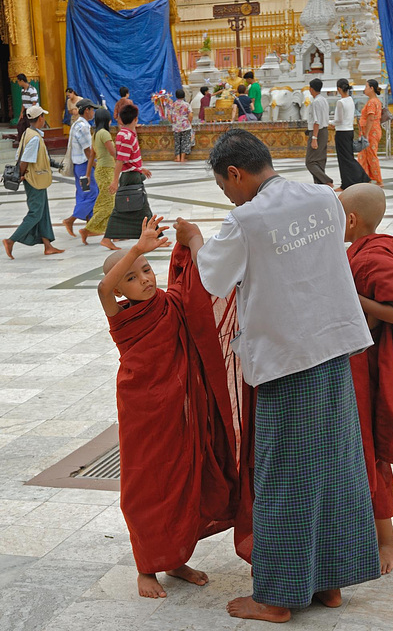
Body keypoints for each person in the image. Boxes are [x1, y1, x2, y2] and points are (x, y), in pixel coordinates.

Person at [174, 129, 380, 624]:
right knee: (336, 466)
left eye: (226, 187)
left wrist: (196, 239)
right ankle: (330, 583)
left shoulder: (245, 220)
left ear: (236, 174)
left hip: (288, 359)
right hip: (335, 348)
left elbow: (213, 279)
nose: (229, 196)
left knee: (283, 476)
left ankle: (278, 596)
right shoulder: (324, 199)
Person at [98, 215, 240, 598]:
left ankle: (175, 558)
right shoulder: (123, 316)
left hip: (183, 410)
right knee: (148, 483)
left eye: (146, 270)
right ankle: (147, 566)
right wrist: (136, 250)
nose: (144, 279)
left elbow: (194, 289)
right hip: (144, 412)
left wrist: (187, 244)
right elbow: (102, 288)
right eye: (132, 276)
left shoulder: (169, 303)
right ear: (122, 289)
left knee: (183, 479)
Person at [340, 183, 393, 575]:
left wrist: (351, 298)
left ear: (352, 220)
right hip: (359, 367)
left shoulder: (374, 259)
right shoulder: (369, 249)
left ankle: (387, 543)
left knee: (369, 453)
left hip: (372, 373)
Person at [2, 106, 64, 259]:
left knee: (43, 212)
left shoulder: (28, 134)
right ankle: (11, 240)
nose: (44, 119)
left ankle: (48, 246)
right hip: (34, 179)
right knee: (35, 213)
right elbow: (24, 160)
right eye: (43, 116)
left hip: (36, 179)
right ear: (40, 118)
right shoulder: (34, 138)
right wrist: (21, 175)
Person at [104, 103, 153, 241]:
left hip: (132, 173)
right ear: (136, 119)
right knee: (142, 207)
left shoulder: (126, 134)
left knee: (126, 207)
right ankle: (152, 236)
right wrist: (114, 181)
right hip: (130, 177)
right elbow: (120, 160)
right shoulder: (126, 136)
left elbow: (127, 159)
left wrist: (139, 168)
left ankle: (112, 237)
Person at [79, 108, 118, 250]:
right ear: (107, 120)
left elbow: (91, 156)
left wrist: (88, 175)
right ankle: (88, 229)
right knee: (108, 204)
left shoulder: (95, 134)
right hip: (107, 170)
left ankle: (107, 233)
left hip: (100, 171)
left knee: (106, 201)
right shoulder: (104, 134)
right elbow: (113, 153)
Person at [62, 99, 99, 237]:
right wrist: (96, 166)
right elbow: (88, 151)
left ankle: (90, 227)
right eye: (92, 109)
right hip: (85, 167)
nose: (93, 112)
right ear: (87, 110)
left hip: (80, 167)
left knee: (84, 194)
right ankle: (70, 220)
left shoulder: (76, 124)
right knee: (91, 194)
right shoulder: (83, 126)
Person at [331, 78, 370, 192]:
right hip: (349, 130)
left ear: (338, 89)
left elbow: (339, 120)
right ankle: (351, 181)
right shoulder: (350, 100)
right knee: (348, 157)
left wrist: (331, 123)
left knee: (344, 159)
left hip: (341, 132)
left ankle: (356, 179)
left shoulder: (340, 102)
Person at [305, 78, 334, 188]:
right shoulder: (324, 100)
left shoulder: (316, 102)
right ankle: (320, 184)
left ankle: (327, 181)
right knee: (320, 160)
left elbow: (316, 121)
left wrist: (314, 138)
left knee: (310, 162)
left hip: (317, 132)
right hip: (324, 131)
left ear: (311, 89)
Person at [357, 79, 384, 187]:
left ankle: (378, 180)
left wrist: (366, 134)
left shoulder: (372, 102)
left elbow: (371, 118)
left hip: (371, 131)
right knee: (364, 155)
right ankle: (366, 177)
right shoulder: (375, 101)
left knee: (371, 155)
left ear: (371, 88)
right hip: (372, 130)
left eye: (366, 87)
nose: (365, 89)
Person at [169, 89, 193, 162]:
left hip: (176, 126)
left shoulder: (172, 105)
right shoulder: (186, 104)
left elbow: (169, 116)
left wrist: (173, 122)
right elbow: (191, 115)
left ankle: (178, 158)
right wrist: (189, 122)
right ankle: (183, 158)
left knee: (177, 142)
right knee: (185, 142)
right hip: (185, 126)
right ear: (184, 95)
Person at [16, 73, 39, 142]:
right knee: (20, 125)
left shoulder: (32, 89)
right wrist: (21, 112)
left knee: (30, 126)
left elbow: (34, 102)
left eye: (18, 81)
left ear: (22, 81)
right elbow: (24, 102)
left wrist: (31, 113)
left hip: (32, 111)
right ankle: (22, 140)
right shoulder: (22, 90)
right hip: (26, 110)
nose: (18, 83)